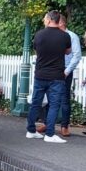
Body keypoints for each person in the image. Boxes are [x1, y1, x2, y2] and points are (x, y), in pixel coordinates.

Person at [26, 10, 71, 144]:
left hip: (40, 74)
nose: (44, 20)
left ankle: (31, 131)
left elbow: (36, 50)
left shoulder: (39, 35)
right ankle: (49, 134)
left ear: (50, 19)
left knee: (36, 102)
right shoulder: (65, 36)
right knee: (54, 105)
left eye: (45, 18)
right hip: (57, 75)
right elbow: (68, 51)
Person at [58, 14, 82, 137]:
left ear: (62, 23)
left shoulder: (72, 36)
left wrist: (67, 71)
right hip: (53, 69)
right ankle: (48, 123)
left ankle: (64, 126)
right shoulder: (54, 35)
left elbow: (77, 56)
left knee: (64, 98)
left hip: (65, 69)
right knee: (49, 97)